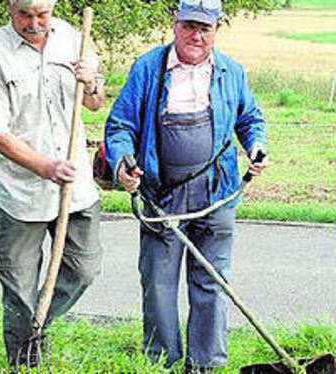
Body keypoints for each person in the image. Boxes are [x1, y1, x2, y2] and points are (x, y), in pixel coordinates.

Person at [104, 0, 268, 372]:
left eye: (204, 28)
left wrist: (256, 146)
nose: (196, 35)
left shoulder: (231, 72)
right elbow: (120, 127)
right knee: (159, 283)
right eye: (189, 26)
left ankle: (206, 364)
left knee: (212, 281)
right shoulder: (148, 68)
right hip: (162, 195)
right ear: (175, 24)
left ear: (216, 30)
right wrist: (124, 164)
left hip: (218, 193)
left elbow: (250, 118)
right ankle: (162, 362)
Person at [0, 0, 105, 365]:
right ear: (10, 8)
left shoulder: (73, 38)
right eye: (24, 15)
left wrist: (91, 80)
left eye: (41, 15)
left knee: (84, 267)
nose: (34, 24)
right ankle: (24, 362)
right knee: (18, 284)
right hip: (21, 191)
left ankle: (39, 323)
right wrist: (45, 167)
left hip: (75, 189)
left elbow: (95, 103)